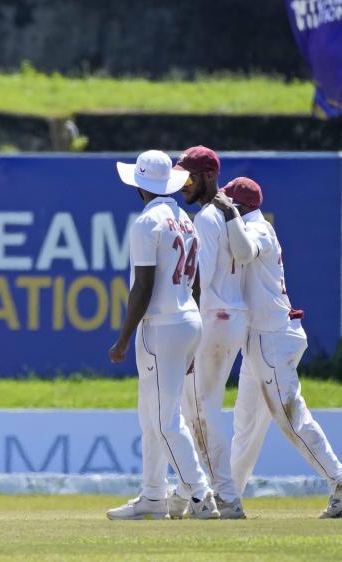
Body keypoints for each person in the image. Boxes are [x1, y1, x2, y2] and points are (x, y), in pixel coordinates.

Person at [214, 177, 342, 519]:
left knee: (290, 418)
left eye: (228, 202)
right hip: (259, 339)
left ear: (239, 207)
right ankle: (229, 497)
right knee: (246, 426)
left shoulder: (258, 228)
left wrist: (227, 213)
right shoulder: (248, 224)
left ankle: (340, 481)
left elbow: (244, 251)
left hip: (271, 337)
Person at [106, 150, 219, 520]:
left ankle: (201, 496)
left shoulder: (147, 223)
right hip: (187, 320)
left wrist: (124, 338)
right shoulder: (184, 219)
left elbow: (142, 287)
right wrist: (191, 333)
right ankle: (153, 497)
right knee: (151, 413)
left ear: (140, 185)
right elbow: (197, 282)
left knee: (164, 419)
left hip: (163, 325)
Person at [174, 146, 247, 519]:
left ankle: (225, 496)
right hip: (232, 317)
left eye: (188, 176)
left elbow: (197, 281)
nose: (182, 184)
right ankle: (190, 491)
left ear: (206, 177)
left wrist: (189, 331)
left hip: (212, 319)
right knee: (201, 411)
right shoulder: (227, 216)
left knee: (200, 412)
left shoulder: (205, 218)